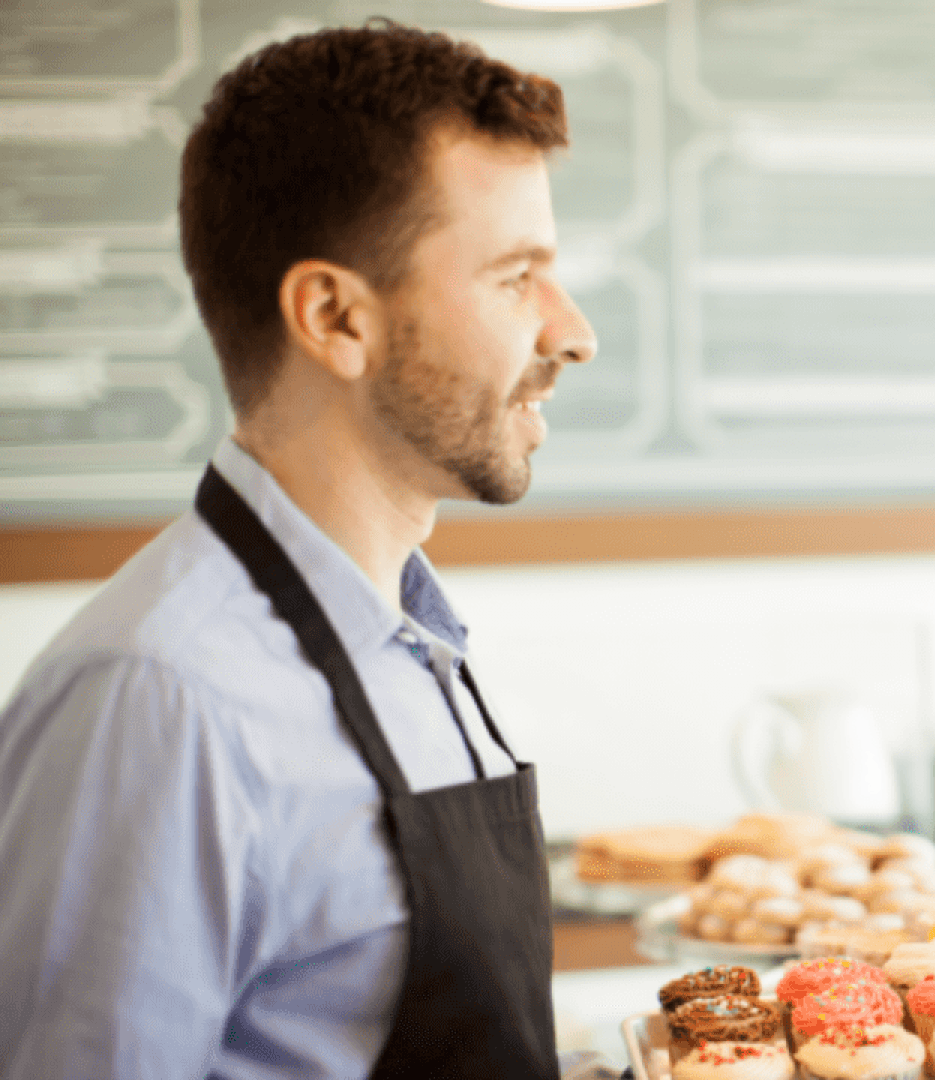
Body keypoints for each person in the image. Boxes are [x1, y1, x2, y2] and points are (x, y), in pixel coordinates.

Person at [0, 20, 595, 1078]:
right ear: (334, 317)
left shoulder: (415, 640)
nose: (572, 331)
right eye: (516, 278)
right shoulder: (157, 697)